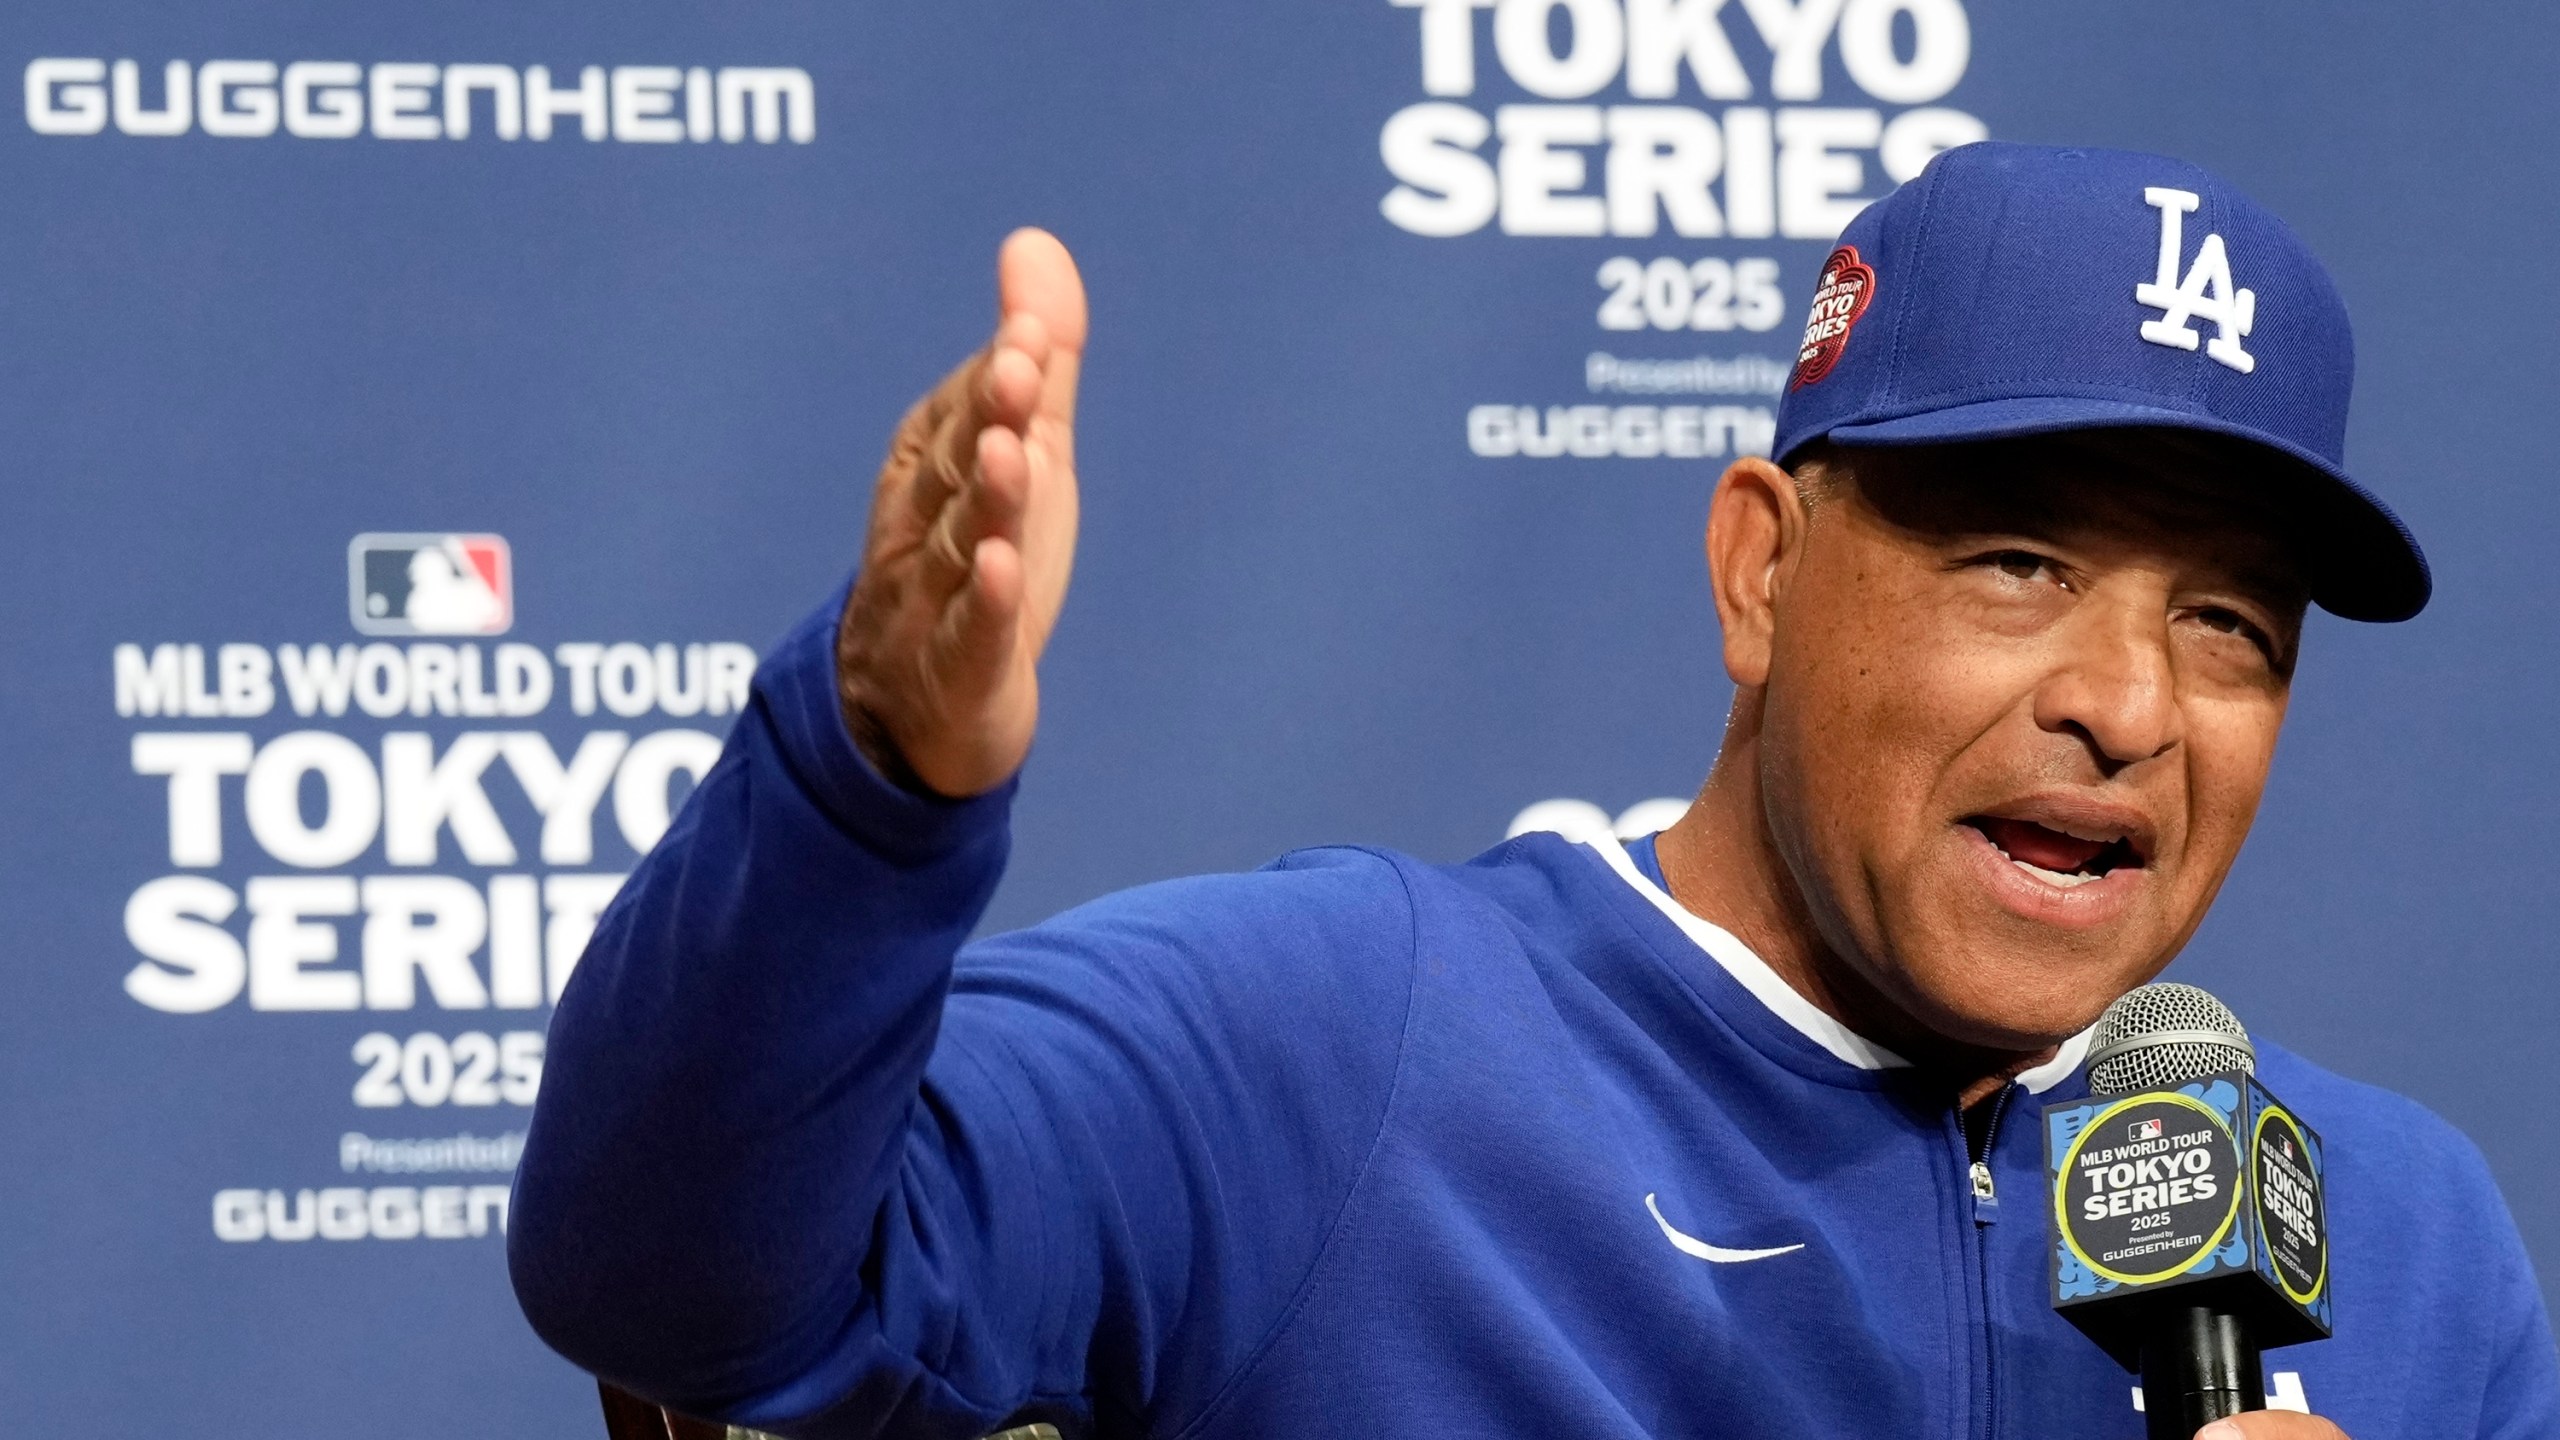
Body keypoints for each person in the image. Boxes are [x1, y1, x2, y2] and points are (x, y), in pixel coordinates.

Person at [508, 143, 2556, 1439]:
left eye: (2228, 627)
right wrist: (862, 787)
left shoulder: (2399, 1235)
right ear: (1760, 570)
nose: (2125, 702)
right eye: (2016, 562)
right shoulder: (1334, 1038)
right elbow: (672, 1290)